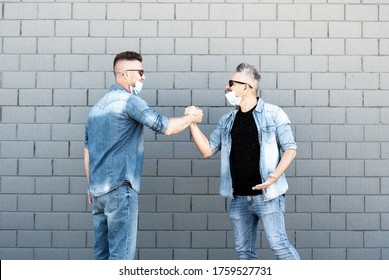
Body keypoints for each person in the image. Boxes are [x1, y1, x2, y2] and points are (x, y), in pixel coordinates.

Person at [84, 51, 202, 260]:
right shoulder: (130, 102)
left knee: (101, 258)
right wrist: (191, 117)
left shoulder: (96, 109)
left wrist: (90, 186)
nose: (143, 77)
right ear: (125, 74)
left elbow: (88, 151)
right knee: (121, 260)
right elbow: (165, 127)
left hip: (98, 193)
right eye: (140, 72)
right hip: (120, 190)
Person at [186, 63, 300, 260]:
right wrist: (192, 123)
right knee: (244, 253)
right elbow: (207, 150)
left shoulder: (274, 114)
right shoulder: (227, 121)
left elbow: (290, 148)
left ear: (247, 86)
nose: (227, 87)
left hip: (269, 196)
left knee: (280, 246)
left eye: (231, 83)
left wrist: (274, 176)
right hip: (239, 198)